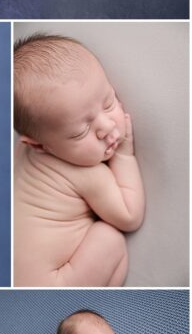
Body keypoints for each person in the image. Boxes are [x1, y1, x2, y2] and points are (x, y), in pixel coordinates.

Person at [13, 34, 145, 286]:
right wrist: (124, 155)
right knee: (110, 237)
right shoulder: (87, 173)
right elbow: (130, 216)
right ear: (39, 145)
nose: (107, 127)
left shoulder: (20, 152)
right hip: (55, 282)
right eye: (80, 132)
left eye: (108, 103)